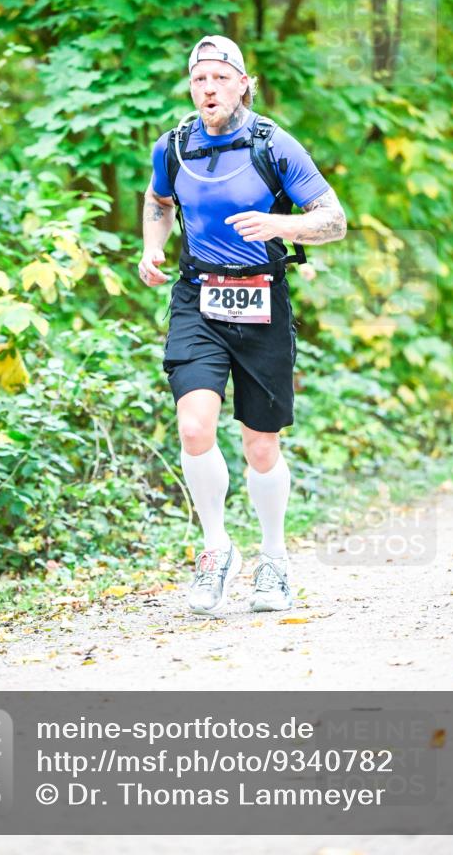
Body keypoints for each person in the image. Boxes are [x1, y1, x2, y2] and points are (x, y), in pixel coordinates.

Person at [139, 35, 346, 616]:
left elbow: (334, 220)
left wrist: (280, 225)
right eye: (200, 79)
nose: (209, 89)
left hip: (262, 301)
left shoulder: (272, 144)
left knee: (260, 445)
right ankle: (215, 551)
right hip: (198, 298)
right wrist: (151, 248)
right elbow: (159, 201)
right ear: (191, 87)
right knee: (194, 427)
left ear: (243, 83)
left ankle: (274, 560)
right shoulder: (174, 147)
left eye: (220, 78)